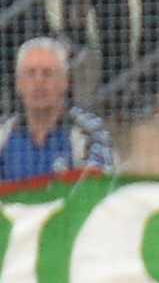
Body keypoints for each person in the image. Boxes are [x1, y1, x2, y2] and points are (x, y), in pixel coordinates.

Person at [1, 35, 109, 183]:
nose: (39, 82)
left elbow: (98, 189)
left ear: (65, 82)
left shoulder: (89, 132)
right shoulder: (3, 134)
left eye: (48, 73)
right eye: (31, 73)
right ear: (18, 83)